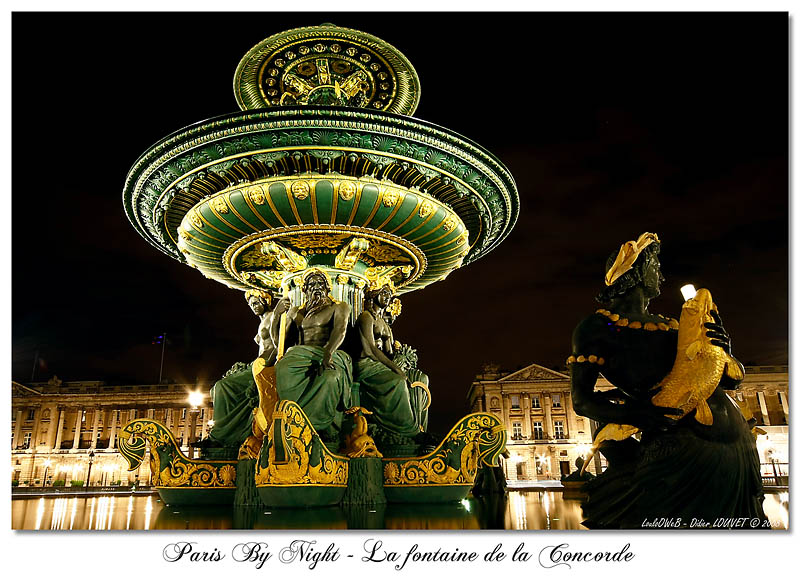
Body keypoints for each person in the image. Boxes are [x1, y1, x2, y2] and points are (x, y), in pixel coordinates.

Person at [569, 232, 767, 528]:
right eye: (654, 267)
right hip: (679, 452)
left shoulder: (676, 323)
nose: (660, 276)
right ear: (635, 271)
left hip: (738, 447)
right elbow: (582, 400)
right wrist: (638, 415)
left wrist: (723, 350)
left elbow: (730, 381)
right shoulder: (597, 326)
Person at [271, 269, 352, 439]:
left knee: (330, 378)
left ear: (327, 288)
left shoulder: (339, 307)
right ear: (305, 290)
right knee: (283, 368)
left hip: (330, 351)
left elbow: (340, 329)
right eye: (312, 284)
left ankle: (320, 426)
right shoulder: (295, 312)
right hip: (300, 355)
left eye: (320, 284)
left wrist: (328, 352)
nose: (317, 288)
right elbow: (280, 343)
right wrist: (276, 316)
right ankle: (292, 419)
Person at [202, 290, 277, 449]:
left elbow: (277, 347)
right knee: (218, 388)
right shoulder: (264, 319)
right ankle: (227, 433)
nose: (254, 307)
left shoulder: (273, 317)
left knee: (222, 387)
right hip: (258, 364)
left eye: (256, 303)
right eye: (251, 305)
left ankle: (221, 436)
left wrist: (259, 364)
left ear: (265, 301)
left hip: (266, 366)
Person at [353, 285, 421, 437]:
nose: (387, 296)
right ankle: (406, 431)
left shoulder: (385, 325)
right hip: (366, 364)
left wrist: (404, 359)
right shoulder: (366, 317)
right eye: (383, 292)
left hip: (380, 364)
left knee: (419, 379)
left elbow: (389, 353)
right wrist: (396, 369)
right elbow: (369, 348)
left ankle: (418, 425)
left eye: (389, 294)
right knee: (397, 381)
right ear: (374, 295)